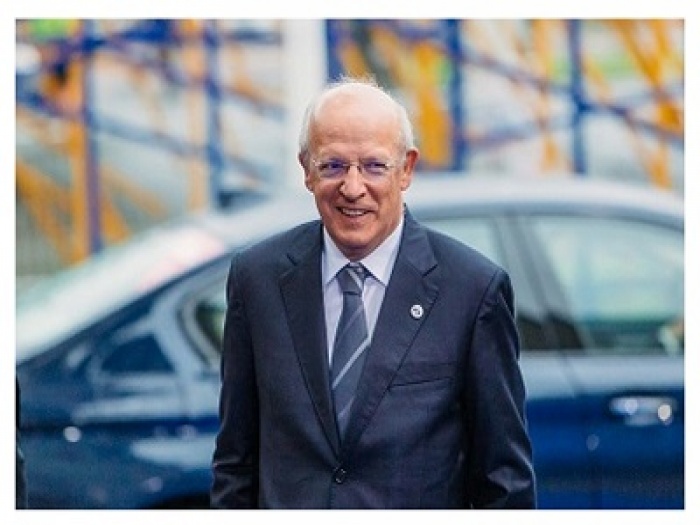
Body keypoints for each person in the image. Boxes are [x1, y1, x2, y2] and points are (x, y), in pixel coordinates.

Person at [210, 77, 536, 509]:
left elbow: (504, 482)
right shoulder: (257, 280)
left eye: (374, 166)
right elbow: (236, 462)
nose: (352, 187)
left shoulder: (472, 291)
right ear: (306, 169)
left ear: (406, 169)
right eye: (333, 166)